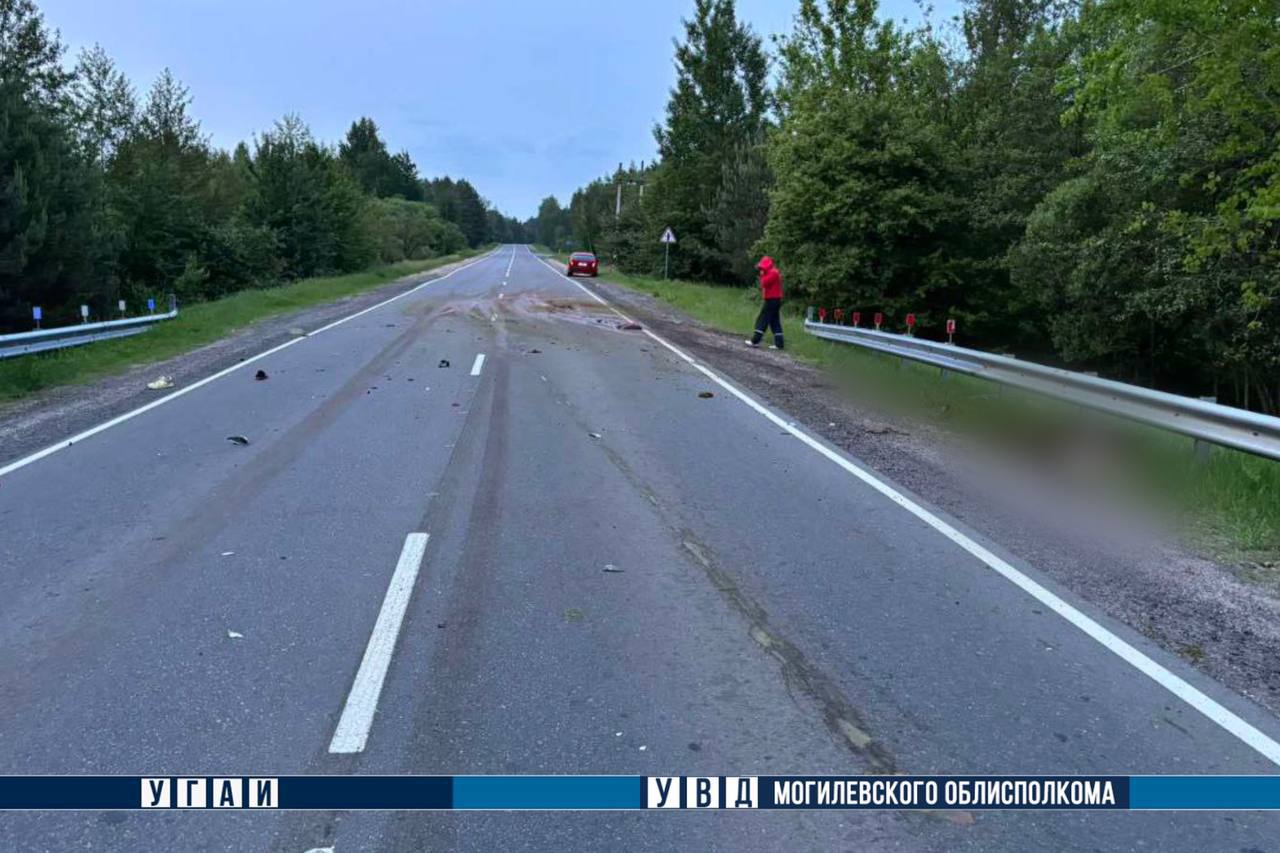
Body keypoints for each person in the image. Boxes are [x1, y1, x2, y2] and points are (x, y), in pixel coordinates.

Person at [747, 256, 784, 349]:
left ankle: (755, 340)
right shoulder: (773, 272)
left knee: (762, 319)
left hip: (772, 300)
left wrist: (762, 275)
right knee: (774, 321)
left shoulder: (773, 273)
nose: (761, 269)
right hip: (775, 299)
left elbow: (764, 283)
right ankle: (779, 343)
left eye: (762, 267)